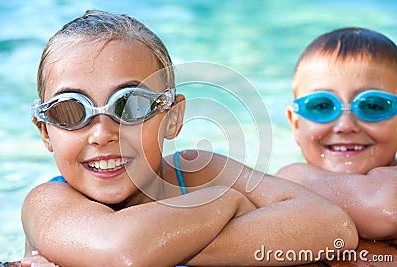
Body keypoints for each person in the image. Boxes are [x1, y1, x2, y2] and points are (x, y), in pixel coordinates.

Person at [21, 10, 358, 266]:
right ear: (45, 131)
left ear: (172, 117)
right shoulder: (49, 203)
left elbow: (334, 227)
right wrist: (225, 202)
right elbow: (123, 252)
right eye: (70, 111)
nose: (102, 133)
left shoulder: (199, 171)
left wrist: (170, 248)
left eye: (131, 104)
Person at [276, 27, 397, 240]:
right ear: (296, 125)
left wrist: (306, 189)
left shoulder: (294, 184)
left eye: (373, 106)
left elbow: (387, 208)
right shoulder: (292, 176)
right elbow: (385, 210)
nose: (345, 125)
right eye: (322, 106)